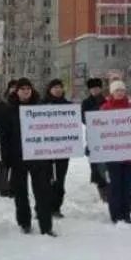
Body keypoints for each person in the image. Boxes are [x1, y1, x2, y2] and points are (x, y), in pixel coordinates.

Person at [0, 78, 56, 236]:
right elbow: (4, 136)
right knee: (21, 193)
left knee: (42, 193)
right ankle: (24, 222)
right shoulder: (8, 109)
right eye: (22, 89)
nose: (25, 91)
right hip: (18, 158)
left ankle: (46, 226)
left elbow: (50, 130)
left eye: (28, 88)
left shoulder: (40, 107)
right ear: (17, 91)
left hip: (38, 157)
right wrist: (6, 157)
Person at [98, 79, 131, 224]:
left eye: (122, 90)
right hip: (112, 156)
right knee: (115, 186)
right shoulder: (105, 109)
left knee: (127, 186)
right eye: (117, 91)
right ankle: (115, 215)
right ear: (111, 93)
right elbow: (99, 131)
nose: (120, 93)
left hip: (129, 156)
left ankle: (126, 213)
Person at [43, 79, 72, 217]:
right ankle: (43, 207)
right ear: (49, 89)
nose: (58, 89)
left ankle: (56, 208)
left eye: (60, 87)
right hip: (44, 151)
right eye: (55, 87)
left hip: (63, 150)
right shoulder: (41, 105)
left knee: (60, 180)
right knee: (45, 181)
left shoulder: (68, 106)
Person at [81, 78, 108, 195]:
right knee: (94, 158)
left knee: (105, 158)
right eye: (92, 89)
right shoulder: (86, 102)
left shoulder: (106, 101)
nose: (94, 90)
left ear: (100, 89)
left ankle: (105, 182)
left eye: (96, 88)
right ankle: (98, 182)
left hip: (106, 134)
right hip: (92, 134)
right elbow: (83, 119)